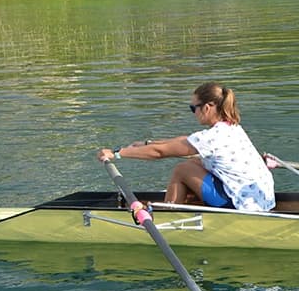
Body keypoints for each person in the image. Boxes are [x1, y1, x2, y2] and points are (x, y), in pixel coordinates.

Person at [95, 81, 275, 212]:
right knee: (196, 163)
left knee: (182, 169)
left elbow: (159, 153)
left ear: (207, 107)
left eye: (193, 108)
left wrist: (117, 153)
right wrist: (148, 143)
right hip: (263, 201)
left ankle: (167, 215)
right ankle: (184, 201)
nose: (193, 113)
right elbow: (184, 141)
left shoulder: (211, 137)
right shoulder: (232, 128)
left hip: (242, 206)